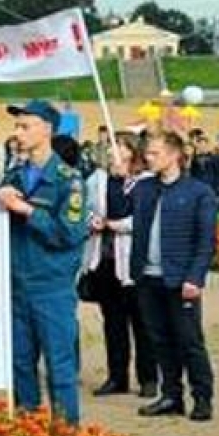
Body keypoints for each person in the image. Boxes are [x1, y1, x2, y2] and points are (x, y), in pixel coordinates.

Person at [0, 100, 91, 425]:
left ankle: (67, 433)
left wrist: (26, 210)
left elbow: (70, 233)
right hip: (16, 284)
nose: (18, 133)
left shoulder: (69, 180)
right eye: (17, 126)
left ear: (47, 130)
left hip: (51, 287)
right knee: (20, 363)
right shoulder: (13, 176)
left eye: (26, 126)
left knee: (59, 365)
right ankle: (29, 431)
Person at [129, 130, 216, 421]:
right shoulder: (143, 189)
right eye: (147, 153)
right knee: (159, 340)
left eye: (154, 153)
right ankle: (171, 395)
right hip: (148, 277)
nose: (147, 158)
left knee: (189, 340)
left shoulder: (198, 193)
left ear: (174, 154)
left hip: (181, 279)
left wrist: (195, 277)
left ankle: (202, 397)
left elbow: (206, 241)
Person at [84, 133, 153, 398]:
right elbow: (85, 207)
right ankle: (117, 376)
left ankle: (148, 377)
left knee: (142, 323)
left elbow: (146, 218)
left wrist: (116, 225)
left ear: (131, 152)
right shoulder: (99, 179)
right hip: (104, 261)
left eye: (119, 147)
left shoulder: (145, 182)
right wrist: (94, 221)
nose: (112, 152)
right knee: (113, 323)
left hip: (134, 264)